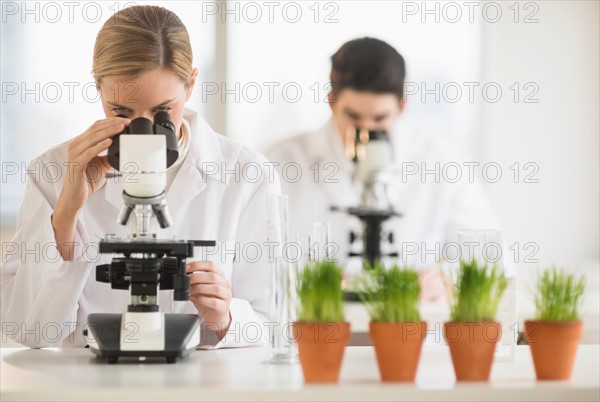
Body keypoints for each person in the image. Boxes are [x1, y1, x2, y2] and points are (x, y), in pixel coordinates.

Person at [1, 6, 279, 348]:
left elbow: (276, 326)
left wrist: (226, 319)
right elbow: (28, 332)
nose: (142, 131)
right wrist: (66, 213)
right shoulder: (53, 170)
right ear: (99, 90)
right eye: (121, 112)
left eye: (162, 112)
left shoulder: (247, 175)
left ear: (191, 85)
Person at [264, 38, 504, 300]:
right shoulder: (280, 162)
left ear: (402, 106)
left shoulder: (442, 163)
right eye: (353, 117)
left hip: (408, 333)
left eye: (380, 119)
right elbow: (254, 267)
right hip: (311, 334)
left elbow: (492, 260)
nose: (366, 132)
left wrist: (445, 279)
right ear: (332, 101)